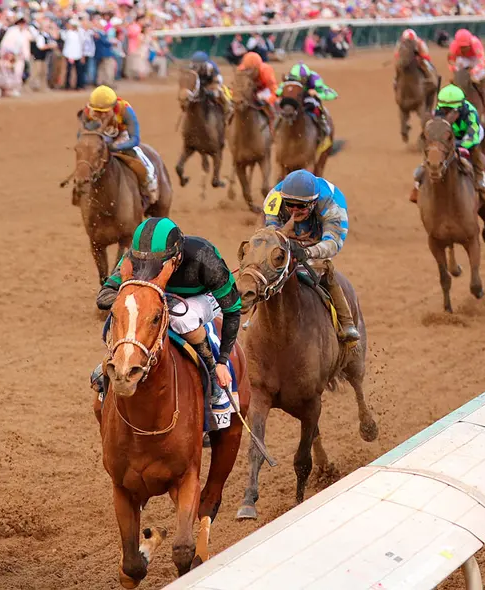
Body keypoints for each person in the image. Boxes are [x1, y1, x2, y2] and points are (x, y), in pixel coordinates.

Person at [92, 217, 242, 432]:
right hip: (157, 297)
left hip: (202, 299)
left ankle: (210, 374)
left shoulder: (204, 257)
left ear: (178, 255)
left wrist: (222, 360)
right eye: (144, 264)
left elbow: (232, 310)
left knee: (181, 317)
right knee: (124, 310)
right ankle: (113, 360)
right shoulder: (135, 257)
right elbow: (104, 296)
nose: (148, 268)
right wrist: (139, 297)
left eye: (157, 264)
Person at [262, 170, 359, 343]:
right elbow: (271, 235)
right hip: (287, 235)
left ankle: (347, 323)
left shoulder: (333, 205)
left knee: (321, 268)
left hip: (318, 236)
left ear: (313, 203)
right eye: (290, 204)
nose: (294, 210)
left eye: (301, 206)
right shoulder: (274, 198)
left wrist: (308, 252)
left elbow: (333, 243)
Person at [408, 84, 485, 204]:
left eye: (450, 109)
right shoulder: (438, 111)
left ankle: (480, 180)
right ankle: (419, 181)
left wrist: (457, 144)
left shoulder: (471, 112)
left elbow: (472, 138)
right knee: (433, 153)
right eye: (445, 109)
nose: (446, 111)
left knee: (475, 151)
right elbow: (434, 133)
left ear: (460, 106)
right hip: (447, 138)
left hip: (469, 135)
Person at [80, 85, 159, 205]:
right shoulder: (88, 112)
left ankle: (149, 184)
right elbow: (82, 135)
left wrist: (116, 147)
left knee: (136, 156)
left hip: (121, 135)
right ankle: (79, 188)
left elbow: (135, 139)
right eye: (97, 112)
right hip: (100, 137)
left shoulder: (125, 110)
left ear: (114, 107)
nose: (100, 115)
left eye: (104, 112)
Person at [281, 62, 337, 137]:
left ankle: (322, 124)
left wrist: (317, 94)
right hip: (295, 97)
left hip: (308, 97)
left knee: (313, 105)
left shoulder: (315, 79)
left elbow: (333, 94)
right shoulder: (289, 80)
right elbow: (278, 90)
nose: (300, 82)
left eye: (303, 80)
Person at [448, 29, 485, 113]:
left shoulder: (476, 43)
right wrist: (456, 71)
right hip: (462, 59)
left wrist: (472, 72)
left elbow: (482, 62)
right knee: (456, 79)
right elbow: (451, 63)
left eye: (466, 46)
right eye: (462, 47)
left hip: (475, 58)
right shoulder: (453, 46)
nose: (464, 49)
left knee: (478, 77)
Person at [189, 51, 232, 119]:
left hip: (213, 80)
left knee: (217, 93)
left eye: (198, 64)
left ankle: (227, 107)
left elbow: (216, 80)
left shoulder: (211, 67)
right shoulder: (192, 67)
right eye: (195, 64)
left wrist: (210, 89)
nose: (196, 66)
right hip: (201, 82)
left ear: (204, 64)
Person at [237, 51, 277, 122]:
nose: (247, 73)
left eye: (249, 70)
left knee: (268, 106)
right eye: (246, 69)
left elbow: (275, 91)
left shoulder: (266, 71)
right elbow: (237, 88)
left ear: (256, 68)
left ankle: (272, 125)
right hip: (252, 90)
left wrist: (268, 101)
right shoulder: (241, 71)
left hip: (265, 91)